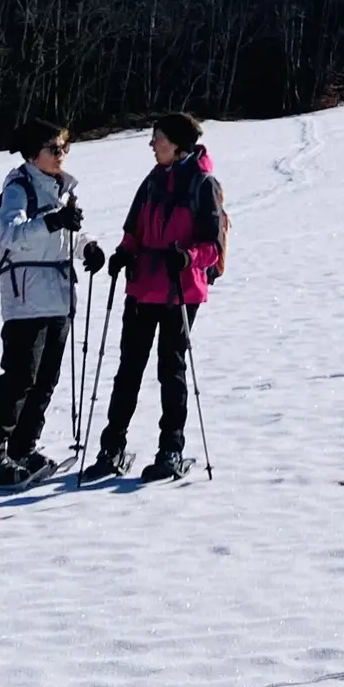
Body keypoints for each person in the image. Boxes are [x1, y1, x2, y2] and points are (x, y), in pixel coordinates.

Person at [82, 112, 222, 483]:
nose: (152, 144)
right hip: (143, 288)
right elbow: (134, 231)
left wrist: (188, 257)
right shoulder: (152, 181)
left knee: (170, 371)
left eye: (157, 138)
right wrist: (124, 252)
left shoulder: (202, 184)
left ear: (177, 145)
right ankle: (111, 447)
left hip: (180, 291)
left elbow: (212, 246)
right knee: (128, 370)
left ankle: (171, 449)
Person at [0, 120, 104, 485]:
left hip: (58, 296)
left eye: (64, 147)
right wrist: (53, 221)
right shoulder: (18, 188)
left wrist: (88, 248)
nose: (62, 155)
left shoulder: (60, 188)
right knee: (19, 379)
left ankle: (22, 448)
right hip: (26, 298)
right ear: (33, 155)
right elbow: (10, 235)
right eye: (54, 149)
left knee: (45, 380)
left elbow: (68, 233)